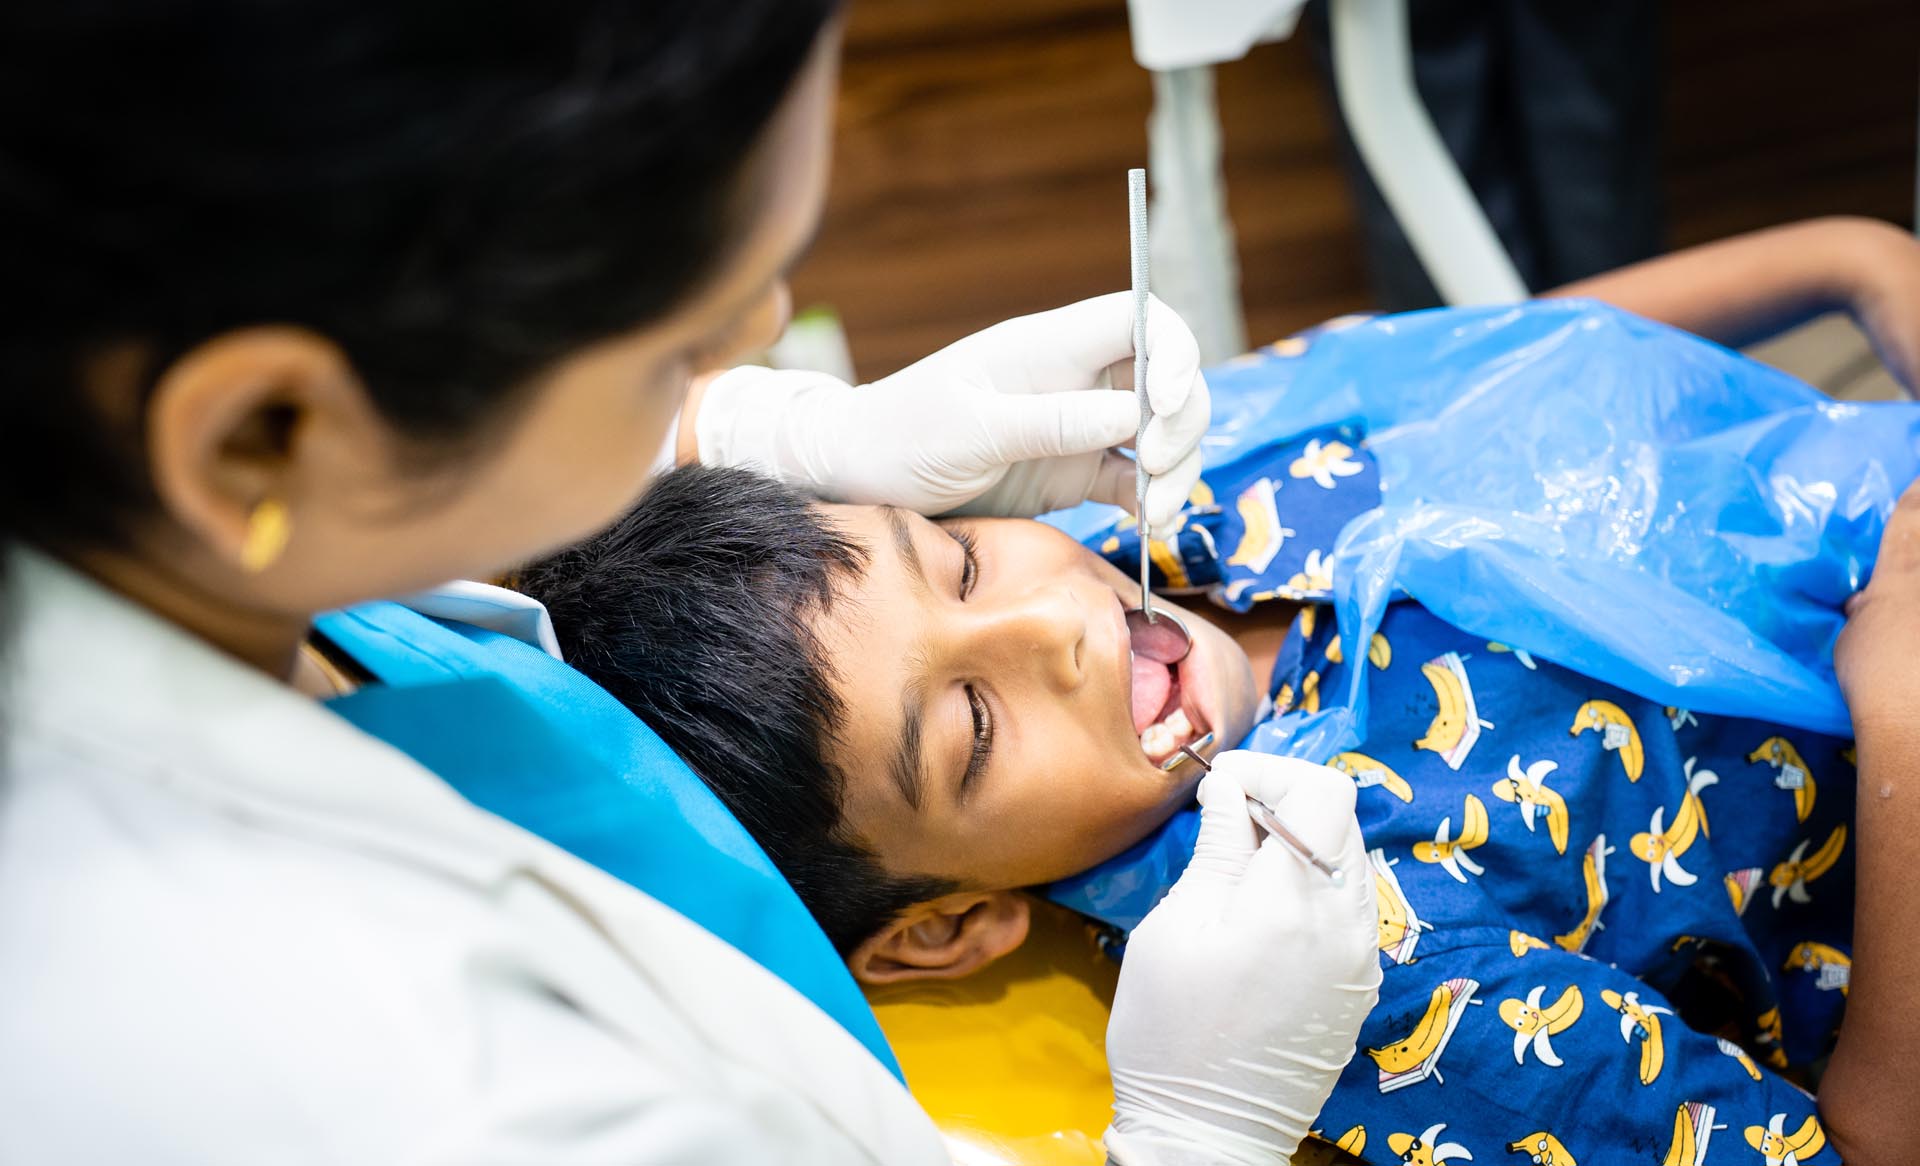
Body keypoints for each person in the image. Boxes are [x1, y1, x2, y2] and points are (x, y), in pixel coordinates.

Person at [0, 3, 1378, 1163]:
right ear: (264, 436)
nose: (765, 331)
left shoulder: (159, 504)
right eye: (681, 338)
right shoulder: (373, 1072)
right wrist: (1198, 1133)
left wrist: (744, 435)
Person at [521, 219, 1920, 1166]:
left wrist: (1848, 261)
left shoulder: (1185, 485)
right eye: (975, 727)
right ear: (947, 925)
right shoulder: (1370, 966)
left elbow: (1496, 368)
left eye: (952, 556)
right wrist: (1907, 710)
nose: (1057, 622)